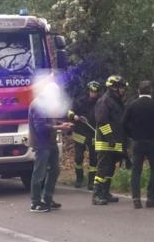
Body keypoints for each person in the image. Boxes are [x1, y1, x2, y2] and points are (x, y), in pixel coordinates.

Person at [28, 81, 73, 212]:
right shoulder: (38, 105)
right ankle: (35, 202)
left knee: (55, 170)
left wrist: (62, 124)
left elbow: (51, 120)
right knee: (39, 173)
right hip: (42, 143)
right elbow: (41, 127)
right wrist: (60, 127)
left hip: (50, 142)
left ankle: (47, 198)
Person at [122, 80, 154, 208]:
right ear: (151, 91)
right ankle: (150, 198)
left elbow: (124, 123)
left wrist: (131, 135)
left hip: (137, 142)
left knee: (136, 170)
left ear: (138, 91)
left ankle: (136, 198)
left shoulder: (132, 105)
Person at [92, 75, 128, 205]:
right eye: (121, 87)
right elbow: (102, 122)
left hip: (114, 142)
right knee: (102, 169)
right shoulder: (104, 101)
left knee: (110, 169)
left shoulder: (116, 102)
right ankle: (96, 195)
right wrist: (110, 138)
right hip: (105, 142)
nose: (123, 90)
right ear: (113, 88)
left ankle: (105, 192)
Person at [67, 81, 100, 190]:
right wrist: (74, 116)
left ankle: (91, 182)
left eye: (95, 92)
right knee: (78, 158)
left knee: (94, 160)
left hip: (93, 134)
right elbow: (69, 112)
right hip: (80, 133)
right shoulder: (80, 101)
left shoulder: (100, 103)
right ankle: (79, 179)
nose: (93, 94)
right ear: (88, 91)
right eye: (92, 91)